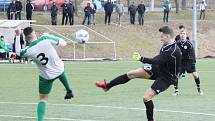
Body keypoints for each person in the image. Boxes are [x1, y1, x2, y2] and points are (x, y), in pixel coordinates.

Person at [95, 26, 182, 121]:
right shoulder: (167, 45)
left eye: (162, 37)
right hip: (158, 69)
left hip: (167, 78)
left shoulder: (173, 51)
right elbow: (158, 60)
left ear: (168, 36)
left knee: (146, 97)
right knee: (131, 74)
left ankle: (151, 120)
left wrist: (141, 58)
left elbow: (155, 60)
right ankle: (107, 86)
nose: (160, 38)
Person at [14, 27, 74, 121]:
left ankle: (40, 120)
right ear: (34, 33)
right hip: (59, 69)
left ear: (26, 38)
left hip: (46, 76)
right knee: (60, 69)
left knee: (43, 98)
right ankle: (69, 89)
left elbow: (18, 52)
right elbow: (63, 43)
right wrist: (49, 35)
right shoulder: (45, 38)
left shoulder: (28, 50)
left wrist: (17, 35)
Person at [173, 29, 203, 96]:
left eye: (184, 34)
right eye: (181, 33)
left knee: (195, 75)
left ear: (186, 35)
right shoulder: (177, 44)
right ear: (179, 35)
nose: (182, 35)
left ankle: (199, 89)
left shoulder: (189, 44)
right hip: (181, 62)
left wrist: (193, 63)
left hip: (189, 61)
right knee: (176, 75)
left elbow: (192, 55)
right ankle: (176, 91)